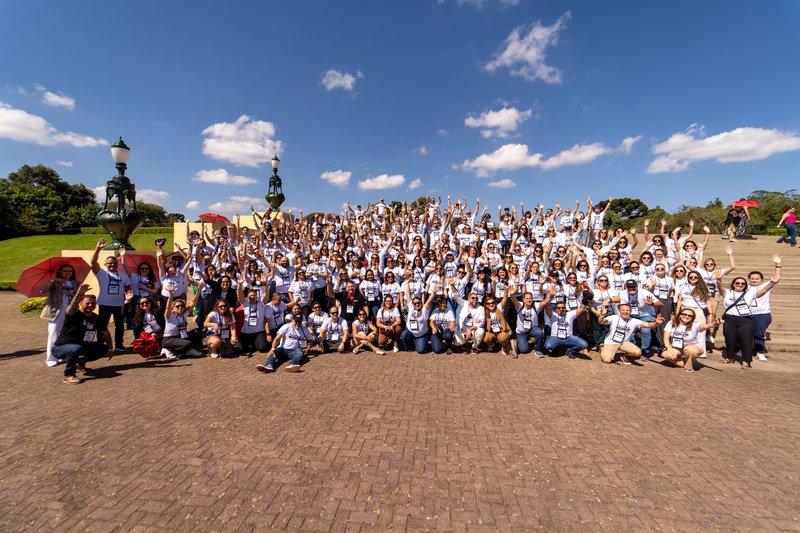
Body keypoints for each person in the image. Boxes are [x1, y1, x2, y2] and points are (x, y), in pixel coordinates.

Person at [715, 264, 780, 369]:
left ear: (745, 285)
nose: (740, 285)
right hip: (730, 318)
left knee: (746, 340)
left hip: (745, 319)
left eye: (742, 283)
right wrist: (718, 279)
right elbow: (720, 288)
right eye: (737, 283)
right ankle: (730, 357)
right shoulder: (727, 292)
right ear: (733, 284)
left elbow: (763, 291)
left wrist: (772, 283)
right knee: (730, 338)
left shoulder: (750, 293)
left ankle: (746, 361)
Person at [51, 284, 115, 384]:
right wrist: (80, 293)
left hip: (81, 346)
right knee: (75, 348)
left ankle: (80, 364)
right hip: (61, 348)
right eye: (87, 303)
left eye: (93, 303)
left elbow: (105, 332)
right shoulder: (74, 314)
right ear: (80, 303)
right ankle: (69, 375)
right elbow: (71, 307)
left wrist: (110, 349)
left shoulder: (95, 317)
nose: (90, 305)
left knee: (103, 348)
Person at [90, 239, 131, 353]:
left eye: (114, 263)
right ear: (105, 264)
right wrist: (98, 248)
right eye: (110, 263)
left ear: (117, 264)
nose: (112, 264)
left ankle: (119, 345)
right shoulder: (101, 273)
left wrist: (129, 296)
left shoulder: (123, 275)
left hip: (119, 305)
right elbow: (93, 263)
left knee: (120, 326)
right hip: (104, 304)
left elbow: (128, 289)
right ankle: (102, 346)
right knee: (102, 326)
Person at [597, 303, 664, 365]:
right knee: (607, 360)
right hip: (611, 342)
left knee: (638, 353)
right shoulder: (613, 317)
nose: (625, 312)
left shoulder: (633, 321)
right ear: (619, 311)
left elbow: (648, 324)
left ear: (630, 312)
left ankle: (624, 355)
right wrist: (602, 315)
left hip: (624, 343)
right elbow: (601, 322)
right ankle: (602, 347)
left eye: (627, 310)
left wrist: (656, 323)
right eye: (623, 310)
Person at [40, 263, 78, 366]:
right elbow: (42, 290)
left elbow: (80, 296)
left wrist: (71, 294)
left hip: (71, 310)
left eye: (70, 271)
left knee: (67, 334)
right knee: (54, 334)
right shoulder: (55, 282)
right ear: (61, 272)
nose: (68, 273)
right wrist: (53, 280)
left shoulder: (75, 283)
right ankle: (51, 358)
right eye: (65, 271)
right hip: (56, 311)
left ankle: (62, 356)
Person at [662, 308, 717, 372]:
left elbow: (707, 326)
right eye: (684, 314)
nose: (686, 316)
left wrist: (715, 323)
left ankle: (689, 366)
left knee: (690, 350)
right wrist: (669, 350)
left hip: (693, 347)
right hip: (677, 347)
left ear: (693, 318)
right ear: (680, 315)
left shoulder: (695, 325)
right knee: (665, 354)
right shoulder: (671, 323)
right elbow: (666, 338)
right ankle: (681, 363)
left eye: (689, 315)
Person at [748, 261, 781, 362]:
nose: (754, 280)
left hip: (762, 314)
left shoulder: (765, 286)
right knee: (745, 333)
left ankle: (760, 352)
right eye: (752, 278)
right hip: (747, 314)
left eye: (757, 279)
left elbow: (776, 277)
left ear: (761, 279)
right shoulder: (745, 287)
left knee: (759, 333)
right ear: (749, 279)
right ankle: (743, 349)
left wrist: (778, 265)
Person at [509, 287, 554, 357]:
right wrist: (512, 295)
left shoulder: (535, 306)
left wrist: (551, 296)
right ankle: (517, 342)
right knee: (524, 350)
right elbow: (514, 300)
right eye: (527, 298)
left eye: (530, 298)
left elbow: (544, 302)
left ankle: (538, 349)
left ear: (532, 299)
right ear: (523, 299)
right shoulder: (520, 305)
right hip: (522, 331)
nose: (529, 300)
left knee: (539, 332)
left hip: (532, 329)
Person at [161, 288, 203, 359]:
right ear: (173, 308)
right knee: (187, 343)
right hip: (169, 339)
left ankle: (187, 350)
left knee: (197, 332)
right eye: (177, 306)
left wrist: (198, 292)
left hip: (180, 337)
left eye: (182, 306)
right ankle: (167, 349)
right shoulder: (169, 316)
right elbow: (167, 308)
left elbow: (192, 303)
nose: (180, 307)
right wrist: (171, 296)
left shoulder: (184, 314)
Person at [236, 282, 271, 356]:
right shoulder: (245, 303)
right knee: (241, 350)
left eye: (254, 295)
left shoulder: (261, 303)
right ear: (247, 296)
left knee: (262, 349)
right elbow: (240, 294)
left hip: (258, 332)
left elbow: (266, 295)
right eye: (250, 295)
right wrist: (240, 285)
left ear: (257, 296)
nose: (252, 297)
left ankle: (254, 343)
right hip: (246, 332)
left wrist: (265, 285)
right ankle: (252, 344)